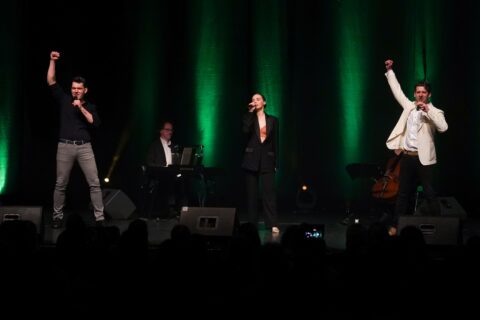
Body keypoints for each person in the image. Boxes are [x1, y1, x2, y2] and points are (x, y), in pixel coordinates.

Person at [384, 59, 448, 236]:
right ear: (414, 93)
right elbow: (397, 91)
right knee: (403, 194)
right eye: (418, 92)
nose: (420, 94)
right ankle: (396, 225)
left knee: (429, 193)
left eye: (424, 92)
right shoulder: (409, 107)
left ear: (429, 95)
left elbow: (443, 127)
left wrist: (428, 110)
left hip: (424, 158)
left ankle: (441, 228)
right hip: (407, 157)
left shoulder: (435, 111)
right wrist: (390, 71)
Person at [47, 51, 105, 228]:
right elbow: (51, 81)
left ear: (85, 90)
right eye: (73, 88)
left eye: (79, 89)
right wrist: (52, 61)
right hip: (65, 146)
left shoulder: (90, 106)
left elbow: (94, 122)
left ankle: (99, 218)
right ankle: (57, 217)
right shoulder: (64, 99)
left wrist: (81, 108)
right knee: (60, 184)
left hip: (84, 147)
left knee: (94, 184)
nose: (75, 91)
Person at [242, 93, 280, 233]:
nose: (255, 101)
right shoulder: (249, 118)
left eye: (258, 99)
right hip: (251, 159)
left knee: (269, 193)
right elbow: (245, 131)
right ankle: (252, 224)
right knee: (252, 195)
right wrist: (250, 112)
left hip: (267, 159)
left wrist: (276, 162)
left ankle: (272, 223)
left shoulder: (273, 120)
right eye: (253, 100)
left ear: (264, 102)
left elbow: (276, 142)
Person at [144, 121, 183, 218]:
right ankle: (168, 209)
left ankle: (180, 210)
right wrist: (162, 168)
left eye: (171, 130)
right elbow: (149, 162)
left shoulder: (175, 146)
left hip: (173, 174)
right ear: (161, 131)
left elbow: (178, 163)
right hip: (160, 174)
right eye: (167, 130)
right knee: (167, 181)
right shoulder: (154, 145)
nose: (170, 132)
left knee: (183, 180)